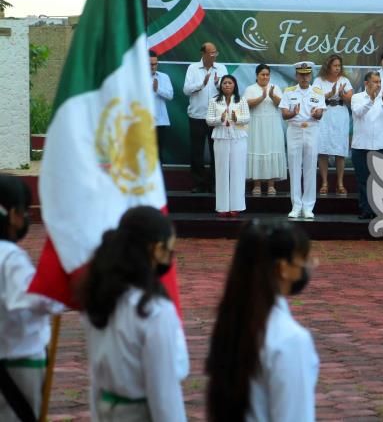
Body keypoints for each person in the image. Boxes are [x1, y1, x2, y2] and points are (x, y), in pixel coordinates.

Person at [80, 206, 188, 422]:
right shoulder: (155, 311)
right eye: (169, 248)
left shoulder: (99, 297)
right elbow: (164, 394)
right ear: (157, 250)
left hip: (106, 409)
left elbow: (95, 378)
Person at [206, 220, 319, 422]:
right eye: (304, 258)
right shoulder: (291, 340)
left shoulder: (233, 321)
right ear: (283, 268)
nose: (311, 264)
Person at [0, 174, 63, 422]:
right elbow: (36, 297)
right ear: (15, 214)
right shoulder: (11, 258)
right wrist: (58, 293)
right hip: (17, 362)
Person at [279, 62, 325, 220]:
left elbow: (320, 114)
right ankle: (296, 205)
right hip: (294, 129)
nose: (305, 77)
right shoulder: (289, 91)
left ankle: (308, 206)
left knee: (310, 167)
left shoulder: (318, 92)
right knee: (294, 168)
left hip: (312, 129)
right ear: (296, 75)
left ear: (311, 75)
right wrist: (293, 113)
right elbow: (284, 114)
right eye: (301, 74)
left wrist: (316, 113)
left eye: (307, 74)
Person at [183, 42, 228, 193]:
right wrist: (201, 84)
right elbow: (186, 90)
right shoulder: (192, 68)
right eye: (211, 53)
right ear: (203, 54)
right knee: (197, 152)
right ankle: (199, 183)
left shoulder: (221, 68)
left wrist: (217, 85)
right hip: (197, 116)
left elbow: (228, 90)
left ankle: (215, 183)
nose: (214, 56)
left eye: (216, 53)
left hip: (216, 117)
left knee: (217, 151)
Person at [351, 71, 383, 219]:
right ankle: (365, 210)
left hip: (380, 145)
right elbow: (358, 112)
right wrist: (371, 99)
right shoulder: (357, 97)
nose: (378, 84)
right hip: (360, 145)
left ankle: (378, 211)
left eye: (379, 82)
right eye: (375, 82)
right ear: (366, 83)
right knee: (363, 179)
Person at [207, 75, 251, 217]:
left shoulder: (241, 100)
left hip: (238, 137)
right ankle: (222, 207)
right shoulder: (214, 101)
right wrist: (220, 119)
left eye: (230, 83)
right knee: (222, 171)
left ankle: (236, 206)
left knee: (237, 171)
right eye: (224, 83)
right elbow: (208, 120)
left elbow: (247, 118)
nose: (227, 85)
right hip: (220, 137)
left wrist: (236, 118)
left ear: (234, 85)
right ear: (220, 86)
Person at [313, 55, 353, 196]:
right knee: (322, 149)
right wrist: (329, 94)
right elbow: (314, 98)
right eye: (335, 65)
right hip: (324, 113)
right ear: (328, 66)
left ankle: (340, 183)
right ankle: (324, 182)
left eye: (339, 66)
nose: (337, 68)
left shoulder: (345, 80)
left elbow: (350, 99)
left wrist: (342, 94)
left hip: (340, 114)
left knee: (340, 150)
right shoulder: (319, 81)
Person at [245, 64, 286, 196]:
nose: (265, 77)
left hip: (273, 124)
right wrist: (262, 97)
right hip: (256, 124)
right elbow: (246, 104)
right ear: (257, 75)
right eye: (262, 74)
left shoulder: (275, 88)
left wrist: (272, 95)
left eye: (267, 74)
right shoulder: (250, 89)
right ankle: (256, 185)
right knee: (257, 149)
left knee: (272, 150)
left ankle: (271, 185)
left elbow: (282, 104)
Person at [150, 53, 173, 164]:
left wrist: (157, 89)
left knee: (158, 153)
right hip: (142, 121)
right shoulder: (137, 78)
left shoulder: (164, 77)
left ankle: (158, 180)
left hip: (160, 121)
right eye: (150, 64)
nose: (153, 66)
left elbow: (170, 95)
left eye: (155, 64)